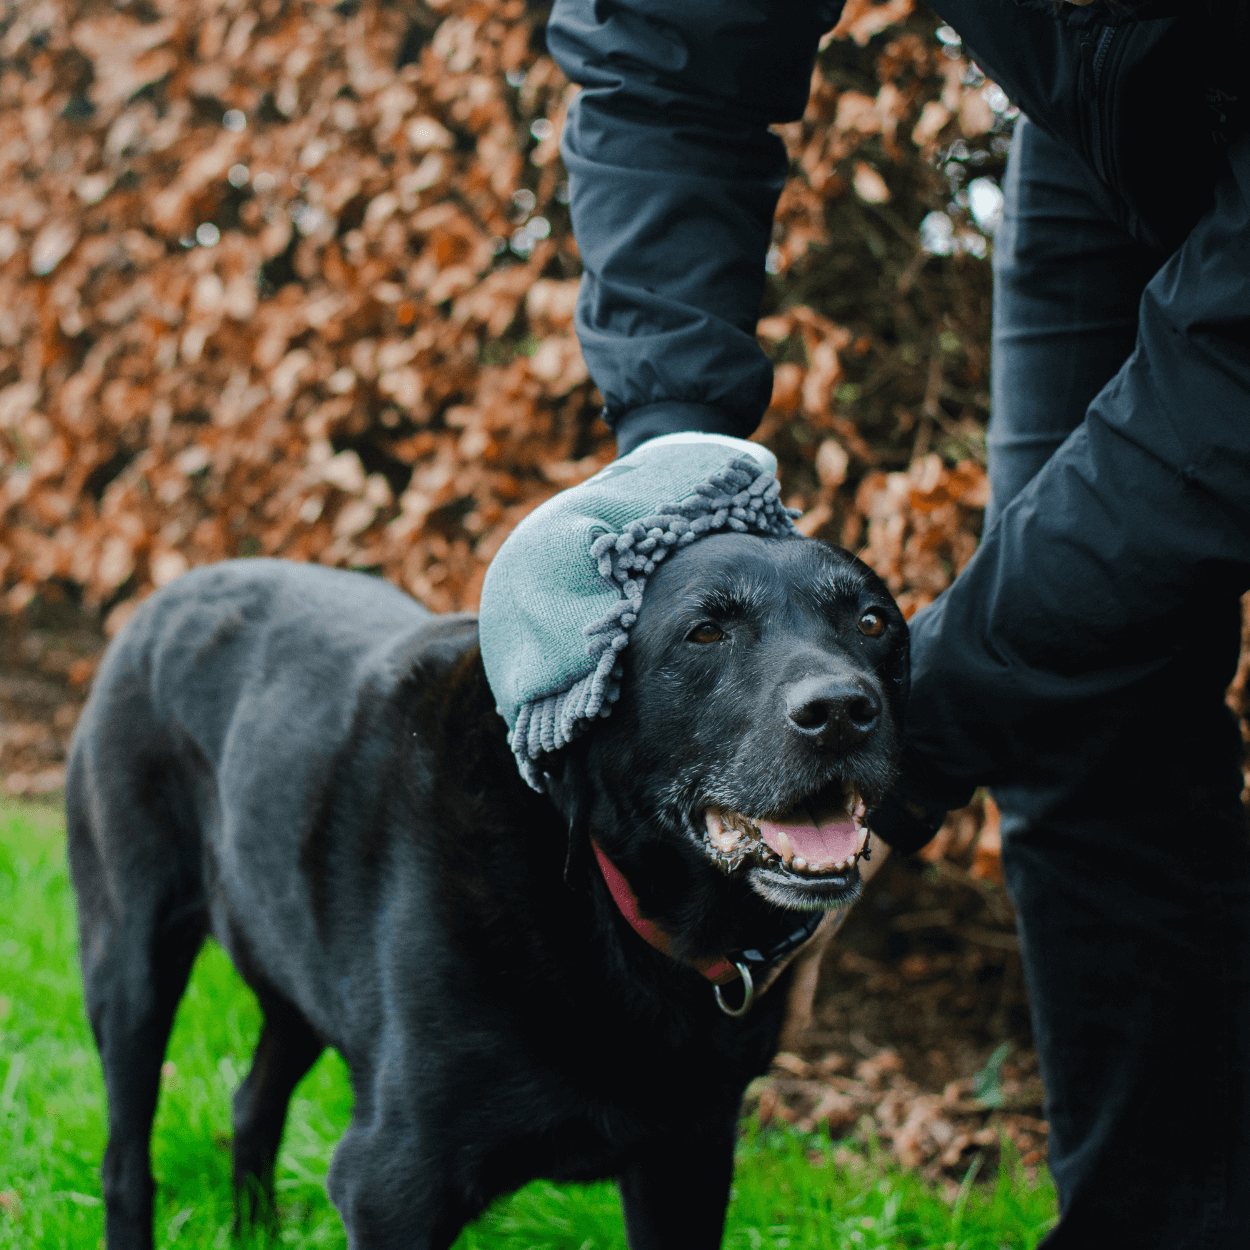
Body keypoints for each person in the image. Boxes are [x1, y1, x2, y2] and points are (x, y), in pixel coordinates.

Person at [481, 0, 1250, 1243]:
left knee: (1072, 614)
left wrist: (910, 738)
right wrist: (680, 458)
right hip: (1098, 121)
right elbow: (668, 46)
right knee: (1088, 703)